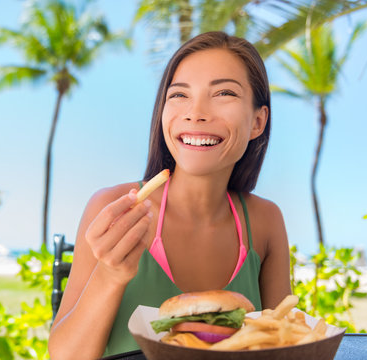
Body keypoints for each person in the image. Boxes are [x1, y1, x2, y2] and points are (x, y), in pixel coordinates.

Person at [48, 31, 291, 359]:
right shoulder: (113, 207)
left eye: (223, 93)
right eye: (179, 95)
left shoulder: (265, 222)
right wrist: (110, 274)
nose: (196, 112)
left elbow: (285, 346)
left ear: (258, 122)